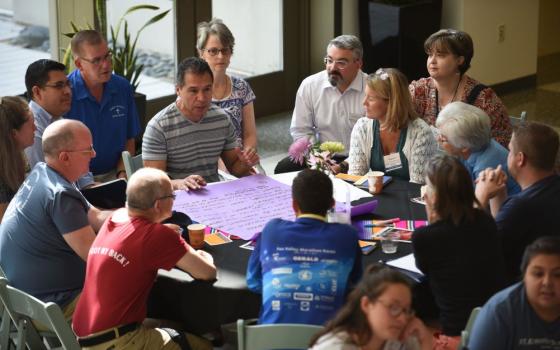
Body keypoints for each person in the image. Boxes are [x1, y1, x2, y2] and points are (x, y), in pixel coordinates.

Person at [72, 167, 216, 349]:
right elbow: (207, 273)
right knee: (207, 345)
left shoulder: (115, 217)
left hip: (84, 334)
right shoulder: (156, 235)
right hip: (116, 340)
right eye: (172, 196)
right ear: (158, 205)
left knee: (177, 324)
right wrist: (205, 256)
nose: (174, 200)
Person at [0, 119, 110, 315]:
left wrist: (135, 218)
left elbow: (95, 215)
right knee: (143, 284)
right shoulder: (60, 195)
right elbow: (99, 259)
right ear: (65, 157)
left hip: (29, 297)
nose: (94, 154)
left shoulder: (44, 172)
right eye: (88, 150)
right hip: (57, 305)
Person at [411, 153, 505, 349]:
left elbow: (427, 271)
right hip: (491, 322)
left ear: (435, 195)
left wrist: (432, 214)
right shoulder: (485, 222)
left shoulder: (424, 237)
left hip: (454, 329)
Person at [246, 169, 362, 325]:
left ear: (294, 204)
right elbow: (356, 285)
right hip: (329, 339)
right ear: (332, 204)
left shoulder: (271, 229)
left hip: (269, 341)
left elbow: (253, 282)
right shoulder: (347, 235)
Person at [142, 57, 258, 189]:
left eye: (207, 89)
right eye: (193, 91)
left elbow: (233, 169)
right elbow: (153, 183)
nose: (202, 98)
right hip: (175, 200)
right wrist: (179, 183)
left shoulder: (222, 119)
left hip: (215, 193)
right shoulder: (158, 127)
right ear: (178, 90)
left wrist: (244, 163)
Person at [475, 121, 560, 283]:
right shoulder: (551, 187)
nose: (508, 155)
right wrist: (499, 194)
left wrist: (481, 196)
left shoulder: (521, 206)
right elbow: (501, 229)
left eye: (510, 150)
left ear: (520, 159)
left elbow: (475, 249)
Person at [275, 34, 367, 174]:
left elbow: (376, 138)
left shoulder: (371, 88)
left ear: (358, 63)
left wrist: (344, 165)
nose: (332, 67)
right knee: (284, 168)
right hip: (323, 155)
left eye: (341, 63)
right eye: (329, 60)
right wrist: (317, 156)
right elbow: (300, 130)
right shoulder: (310, 85)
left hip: (361, 157)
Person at [409, 29, 512, 147]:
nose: (432, 61)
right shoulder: (418, 89)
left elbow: (502, 141)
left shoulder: (484, 98)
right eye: (430, 55)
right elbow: (396, 122)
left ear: (460, 60)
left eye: (440, 55)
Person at [66, 29, 140, 180]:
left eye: (107, 56)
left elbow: (129, 138)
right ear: (79, 64)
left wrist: (123, 174)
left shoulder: (122, 87)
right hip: (77, 180)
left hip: (117, 173)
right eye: (96, 60)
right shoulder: (66, 95)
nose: (106, 65)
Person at [309, 264, 434, 350]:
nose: (402, 319)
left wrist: (425, 339)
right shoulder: (336, 347)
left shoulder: (398, 337)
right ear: (366, 304)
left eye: (406, 310)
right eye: (393, 307)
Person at [345, 68, 436, 183]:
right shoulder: (362, 127)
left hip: (409, 199)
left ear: (392, 102)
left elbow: (418, 188)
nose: (364, 103)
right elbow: (356, 178)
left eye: (371, 98)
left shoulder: (420, 132)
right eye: (365, 96)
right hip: (375, 197)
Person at [469, 236, 560, 349]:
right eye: (538, 274)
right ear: (524, 277)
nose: (547, 282)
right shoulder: (499, 312)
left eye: (557, 275)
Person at [23, 58, 94, 189]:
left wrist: (91, 188)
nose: (68, 91)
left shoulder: (58, 120)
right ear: (37, 92)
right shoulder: (30, 128)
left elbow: (81, 169)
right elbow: (45, 184)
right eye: (59, 86)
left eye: (68, 84)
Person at [197, 18, 257, 152]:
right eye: (213, 51)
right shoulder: (195, 92)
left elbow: (250, 135)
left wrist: (248, 154)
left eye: (225, 50)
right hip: (207, 163)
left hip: (240, 160)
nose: (220, 56)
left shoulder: (242, 87)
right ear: (202, 54)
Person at [436, 101, 520, 195]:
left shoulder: (484, 170)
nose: (438, 139)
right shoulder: (474, 146)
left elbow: (479, 205)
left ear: (464, 148)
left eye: (443, 139)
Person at [0, 96, 35, 220]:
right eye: (31, 125)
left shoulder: (18, 157)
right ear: (14, 134)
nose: (35, 128)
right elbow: (5, 223)